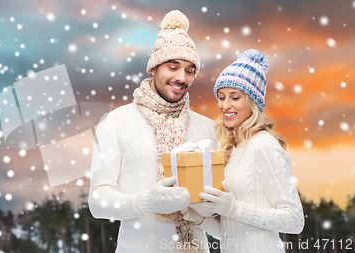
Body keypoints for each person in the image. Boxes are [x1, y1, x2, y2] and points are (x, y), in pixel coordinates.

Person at [88, 10, 218, 253]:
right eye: (173, 67)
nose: (181, 77)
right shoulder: (116, 122)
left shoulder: (206, 127)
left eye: (190, 70)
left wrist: (212, 206)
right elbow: (98, 202)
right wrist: (148, 201)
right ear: (154, 68)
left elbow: (216, 212)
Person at [183, 49, 304, 253]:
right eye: (221, 97)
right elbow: (234, 231)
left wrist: (235, 208)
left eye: (235, 97)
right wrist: (201, 218)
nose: (225, 105)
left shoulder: (264, 145)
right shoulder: (231, 149)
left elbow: (294, 220)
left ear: (252, 101)